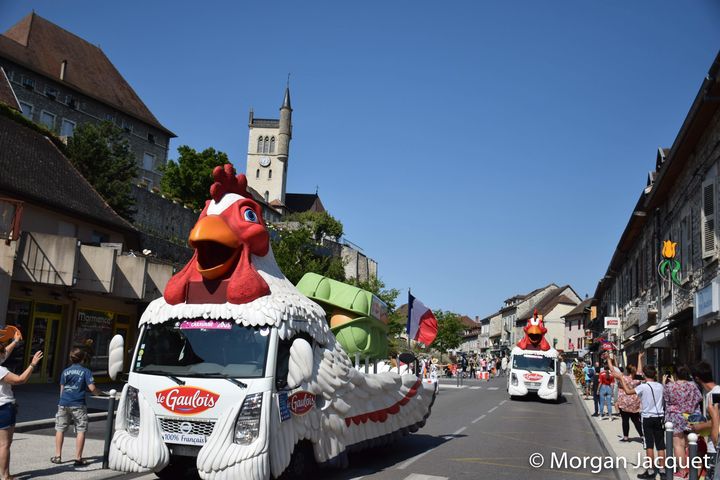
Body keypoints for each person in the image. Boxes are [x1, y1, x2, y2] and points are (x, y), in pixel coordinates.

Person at [610, 353, 666, 479]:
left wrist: (622, 379)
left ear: (645, 375)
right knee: (661, 445)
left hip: (647, 417)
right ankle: (662, 470)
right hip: (659, 417)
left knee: (649, 445)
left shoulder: (643, 387)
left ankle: (650, 471)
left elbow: (628, 391)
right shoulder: (660, 386)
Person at [51, 348, 100, 467]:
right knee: (81, 430)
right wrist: (101, 393)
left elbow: (62, 390)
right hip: (78, 404)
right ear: (83, 359)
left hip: (64, 402)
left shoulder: (65, 371)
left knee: (60, 428)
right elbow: (92, 388)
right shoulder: (86, 371)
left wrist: (62, 402)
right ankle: (78, 458)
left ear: (71, 358)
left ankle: (58, 456)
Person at [0, 347, 43, 480]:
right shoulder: (1, 370)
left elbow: (5, 353)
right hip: (3, 407)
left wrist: (14, 342)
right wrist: (32, 364)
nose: (4, 354)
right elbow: (20, 379)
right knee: (4, 444)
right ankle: (5, 476)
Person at [662, 365, 701, 479]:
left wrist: (665, 384)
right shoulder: (693, 385)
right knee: (690, 443)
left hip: (675, 416)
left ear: (676, 375)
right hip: (691, 416)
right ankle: (692, 469)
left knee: (678, 444)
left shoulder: (670, 386)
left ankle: (682, 470)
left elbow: (666, 399)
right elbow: (699, 398)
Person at [690, 361, 720, 480]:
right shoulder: (713, 392)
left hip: (716, 447)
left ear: (697, 378)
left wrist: (699, 427)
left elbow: (716, 420)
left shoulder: (715, 394)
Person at [617, 365, 643, 442]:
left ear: (627, 371)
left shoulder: (623, 378)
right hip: (634, 402)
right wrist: (639, 359)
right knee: (636, 420)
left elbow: (613, 371)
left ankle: (626, 437)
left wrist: (609, 361)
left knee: (625, 420)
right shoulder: (637, 379)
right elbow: (639, 370)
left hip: (624, 402)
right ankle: (642, 436)